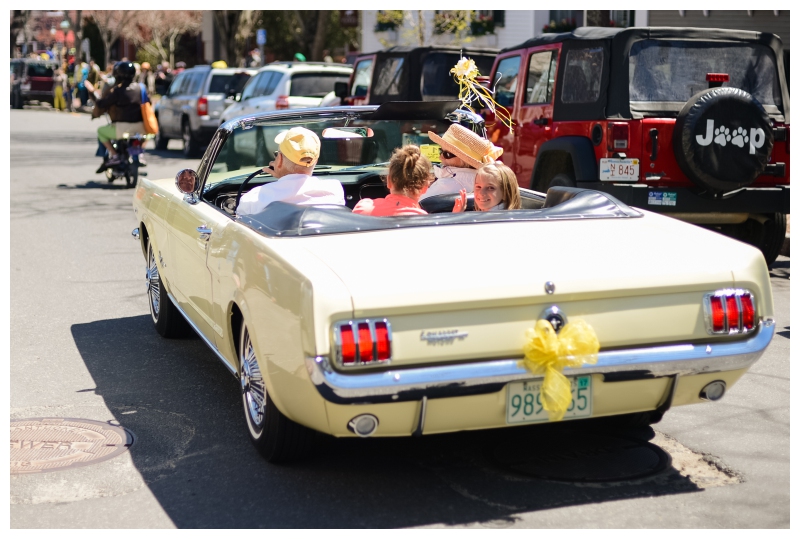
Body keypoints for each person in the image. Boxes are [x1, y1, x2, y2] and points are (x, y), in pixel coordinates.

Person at [237, 127, 345, 215]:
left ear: (279, 159)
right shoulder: (334, 190)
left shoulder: (253, 199)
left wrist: (283, 177)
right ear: (315, 161)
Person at [353, 145, 466, 216]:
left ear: (389, 180)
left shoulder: (363, 208)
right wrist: (455, 217)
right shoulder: (423, 221)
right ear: (426, 186)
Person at [421, 123, 503, 200]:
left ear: (465, 161)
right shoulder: (490, 186)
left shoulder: (446, 185)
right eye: (440, 151)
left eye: (447, 154)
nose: (440, 157)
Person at [92, 61, 147, 173]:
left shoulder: (117, 91)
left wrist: (94, 95)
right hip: (141, 127)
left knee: (100, 131)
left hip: (121, 129)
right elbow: (148, 104)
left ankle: (115, 154)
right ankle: (139, 154)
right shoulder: (141, 88)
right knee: (143, 138)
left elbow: (103, 104)